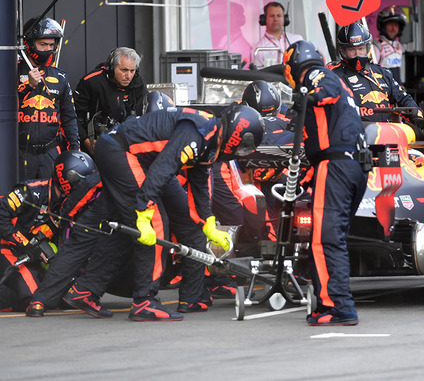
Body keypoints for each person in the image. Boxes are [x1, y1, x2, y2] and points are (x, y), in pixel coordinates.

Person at [61, 103, 265, 321]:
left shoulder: (209, 137)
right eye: (243, 146)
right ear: (236, 135)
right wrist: (143, 209)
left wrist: (208, 223)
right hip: (120, 151)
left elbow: (199, 185)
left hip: (120, 150)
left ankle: (87, 290)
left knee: (129, 228)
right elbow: (164, 168)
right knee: (156, 222)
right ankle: (144, 301)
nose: (241, 152)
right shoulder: (197, 134)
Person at [283, 40, 369, 326]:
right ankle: (331, 303)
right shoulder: (337, 83)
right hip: (352, 165)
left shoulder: (316, 75)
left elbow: (325, 91)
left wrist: (307, 94)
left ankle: (338, 307)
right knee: (333, 238)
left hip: (337, 166)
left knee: (324, 240)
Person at [25, 151, 106, 316]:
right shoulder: (33, 192)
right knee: (25, 296)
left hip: (46, 251)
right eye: (85, 180)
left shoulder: (71, 201)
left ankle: (45, 296)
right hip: (25, 249)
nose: (89, 182)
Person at [0, 154, 79, 312]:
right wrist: (26, 244)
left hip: (30, 253)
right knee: (35, 299)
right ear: (68, 181)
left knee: (63, 296)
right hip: (7, 246)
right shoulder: (31, 191)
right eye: (83, 181)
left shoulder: (68, 204)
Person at [330, 21, 424, 141]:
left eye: (361, 48)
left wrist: (416, 115)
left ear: (367, 48)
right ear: (343, 51)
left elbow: (403, 97)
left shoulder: (382, 72)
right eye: (352, 50)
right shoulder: (334, 76)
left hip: (390, 134)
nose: (357, 54)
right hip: (356, 137)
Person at [17, 17, 80, 181]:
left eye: (51, 45)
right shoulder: (11, 72)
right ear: (31, 43)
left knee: (52, 202)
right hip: (19, 152)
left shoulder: (60, 77)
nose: (47, 49)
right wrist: (27, 86)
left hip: (50, 153)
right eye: (43, 44)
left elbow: (69, 118)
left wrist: (74, 150)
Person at [74, 47, 147, 154]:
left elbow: (146, 115)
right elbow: (72, 115)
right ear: (112, 67)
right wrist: (85, 140)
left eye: (132, 71)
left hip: (128, 144)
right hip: (94, 143)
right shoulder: (92, 81)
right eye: (124, 70)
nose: (129, 76)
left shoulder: (139, 83)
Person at [252, 2, 303, 69]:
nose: (275, 19)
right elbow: (259, 75)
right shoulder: (258, 48)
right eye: (272, 16)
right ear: (264, 19)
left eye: (279, 16)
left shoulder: (297, 40)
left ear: (285, 19)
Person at [372, 5, 407, 83]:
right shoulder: (376, 46)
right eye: (390, 24)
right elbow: (371, 72)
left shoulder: (399, 46)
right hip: (383, 90)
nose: (393, 28)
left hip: (397, 90)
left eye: (396, 25)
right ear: (383, 25)